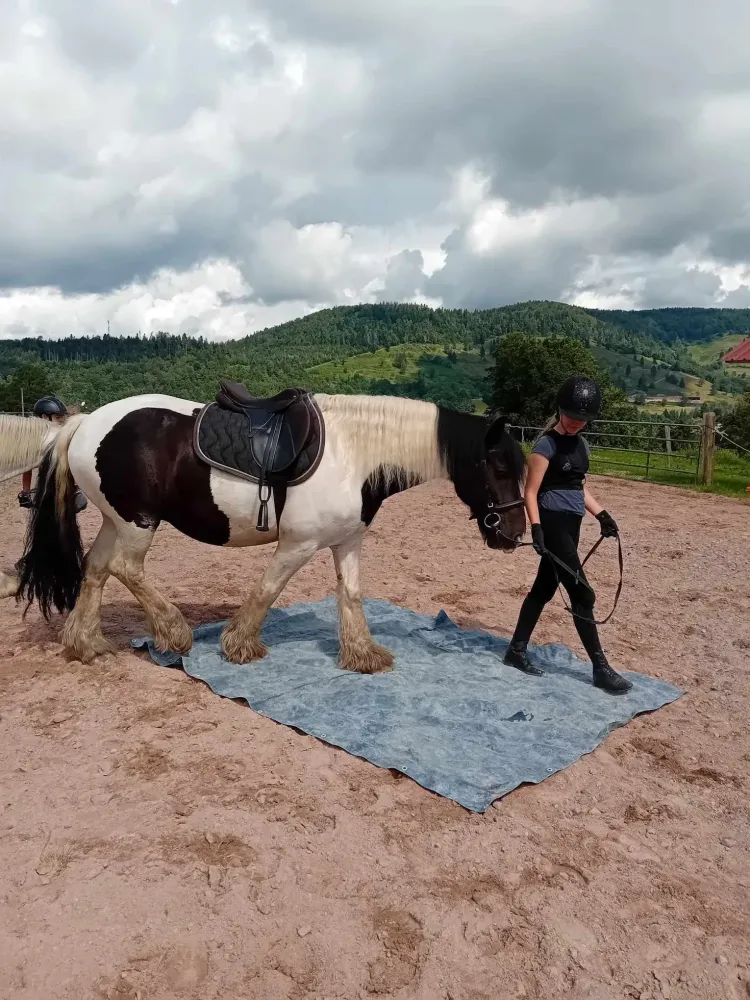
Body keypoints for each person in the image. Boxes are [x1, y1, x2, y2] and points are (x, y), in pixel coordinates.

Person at [503, 375, 632, 695]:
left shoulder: (581, 445)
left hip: (572, 523)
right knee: (582, 594)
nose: (576, 423)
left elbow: (579, 487)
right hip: (553, 522)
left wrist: (602, 514)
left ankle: (515, 652)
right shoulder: (545, 445)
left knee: (543, 590)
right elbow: (530, 492)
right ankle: (601, 668)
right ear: (560, 411)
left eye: (583, 419)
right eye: (572, 416)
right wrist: (536, 529)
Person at [18, 396, 88, 512]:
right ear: (44, 418)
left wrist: (77, 487)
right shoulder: (34, 441)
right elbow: (27, 467)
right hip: (46, 485)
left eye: (61, 418)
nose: (61, 422)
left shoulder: (63, 437)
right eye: (57, 418)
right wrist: (26, 491)